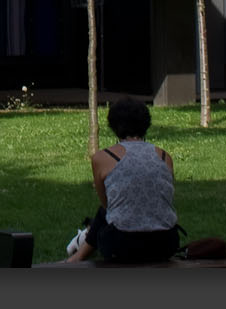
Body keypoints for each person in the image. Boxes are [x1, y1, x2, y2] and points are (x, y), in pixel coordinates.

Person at [66, 98, 179, 263]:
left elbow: (107, 206)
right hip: (166, 243)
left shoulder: (102, 158)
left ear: (113, 125)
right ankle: (79, 253)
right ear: (146, 124)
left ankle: (78, 255)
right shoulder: (164, 156)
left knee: (105, 213)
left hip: (121, 245)